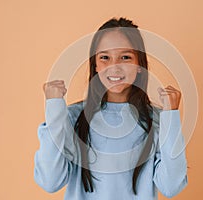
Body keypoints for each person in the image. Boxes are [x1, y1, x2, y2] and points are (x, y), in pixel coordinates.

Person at [34, 17, 188, 200]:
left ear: (139, 65)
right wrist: (54, 109)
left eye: (125, 57)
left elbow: (172, 186)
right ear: (96, 65)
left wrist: (171, 116)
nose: (114, 67)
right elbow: (50, 182)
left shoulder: (157, 120)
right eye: (105, 58)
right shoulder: (72, 118)